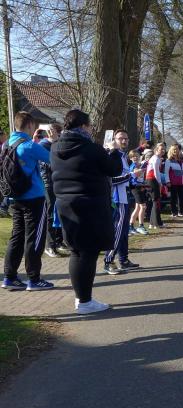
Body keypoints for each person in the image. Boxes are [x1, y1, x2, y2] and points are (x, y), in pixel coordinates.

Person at [51, 109, 123, 313]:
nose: (91, 129)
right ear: (83, 126)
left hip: (65, 203)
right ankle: (85, 302)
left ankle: (80, 298)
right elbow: (114, 169)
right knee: (88, 252)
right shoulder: (91, 148)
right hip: (90, 205)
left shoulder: (55, 147)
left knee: (76, 251)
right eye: (90, 126)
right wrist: (114, 151)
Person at [2, 111, 54, 291]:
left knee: (16, 236)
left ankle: (9, 277)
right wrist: (54, 141)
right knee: (35, 237)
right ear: (30, 125)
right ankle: (34, 279)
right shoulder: (30, 146)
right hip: (33, 197)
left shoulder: (6, 144)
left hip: (14, 197)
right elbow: (53, 159)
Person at [103, 129, 140, 275]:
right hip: (116, 199)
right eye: (120, 138)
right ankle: (108, 261)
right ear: (114, 140)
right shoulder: (112, 155)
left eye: (126, 138)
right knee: (117, 231)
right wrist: (132, 175)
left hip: (124, 197)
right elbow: (111, 180)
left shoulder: (123, 156)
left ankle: (123, 259)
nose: (124, 141)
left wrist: (133, 178)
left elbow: (124, 177)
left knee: (124, 231)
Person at [40, 123, 68, 258]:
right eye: (59, 133)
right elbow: (51, 162)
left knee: (59, 212)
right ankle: (49, 245)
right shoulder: (44, 145)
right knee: (51, 214)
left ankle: (58, 241)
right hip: (48, 183)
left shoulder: (56, 144)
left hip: (58, 182)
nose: (61, 135)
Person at [145, 142, 168, 229]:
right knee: (156, 201)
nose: (162, 151)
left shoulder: (156, 158)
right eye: (161, 149)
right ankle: (157, 223)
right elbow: (156, 172)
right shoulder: (156, 159)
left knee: (155, 201)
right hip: (152, 180)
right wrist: (159, 183)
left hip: (151, 180)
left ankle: (153, 223)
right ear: (156, 150)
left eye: (164, 149)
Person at [166, 144, 183, 217]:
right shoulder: (168, 161)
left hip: (182, 182)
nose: (175, 151)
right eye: (174, 149)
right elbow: (166, 172)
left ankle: (181, 211)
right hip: (173, 183)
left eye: (177, 149)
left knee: (182, 198)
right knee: (173, 198)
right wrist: (167, 181)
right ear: (171, 151)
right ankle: (174, 212)